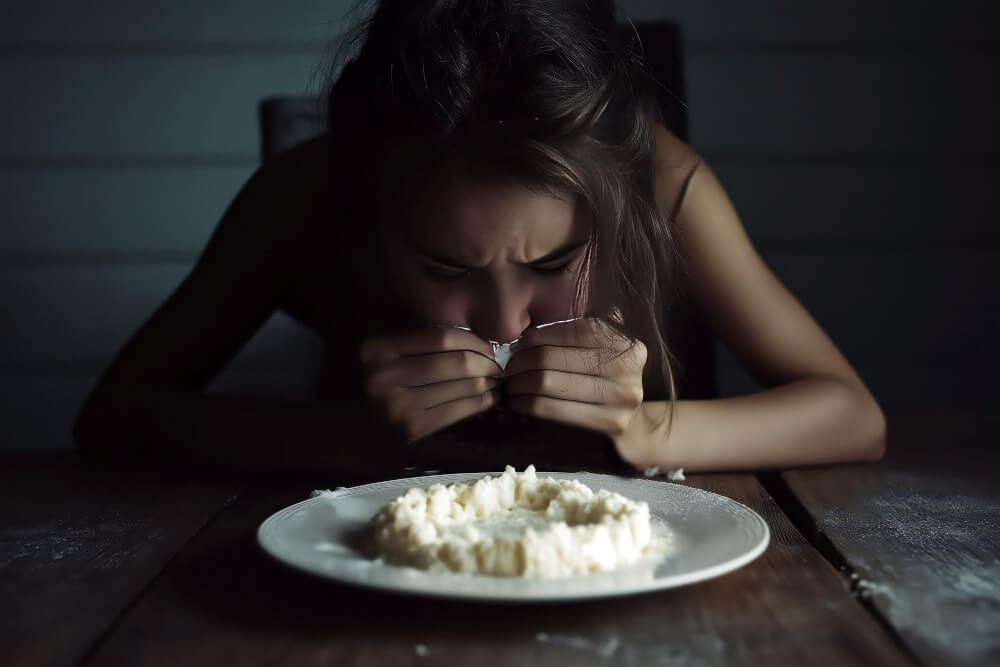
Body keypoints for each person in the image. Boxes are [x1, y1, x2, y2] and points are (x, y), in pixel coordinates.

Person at [73, 0, 885, 479]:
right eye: (444, 266)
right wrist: (352, 436)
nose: (502, 322)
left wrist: (648, 431)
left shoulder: (662, 186)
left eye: (554, 263)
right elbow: (114, 417)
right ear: (373, 213)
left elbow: (853, 416)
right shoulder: (306, 197)